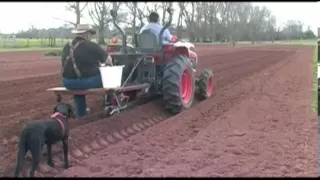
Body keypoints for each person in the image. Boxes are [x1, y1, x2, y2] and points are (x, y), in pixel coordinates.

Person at [61, 24, 112, 118]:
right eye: (90, 34)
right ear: (86, 34)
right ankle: (110, 103)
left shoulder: (67, 46)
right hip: (86, 82)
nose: (90, 36)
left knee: (77, 86)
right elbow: (108, 60)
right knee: (108, 78)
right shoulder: (91, 45)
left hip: (67, 82)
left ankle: (81, 112)